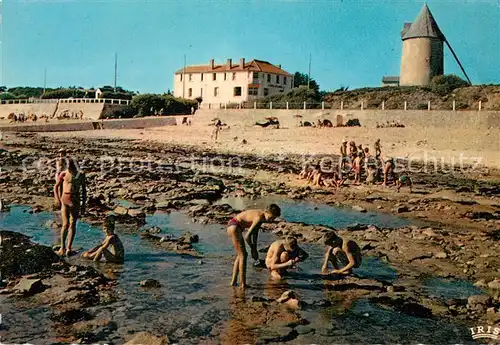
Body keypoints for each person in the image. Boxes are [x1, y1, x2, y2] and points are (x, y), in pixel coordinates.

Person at [227, 204, 281, 288]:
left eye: (273, 219)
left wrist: (255, 249)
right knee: (243, 255)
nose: (271, 220)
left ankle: (233, 282)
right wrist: (252, 249)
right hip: (234, 226)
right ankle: (243, 284)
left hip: (234, 226)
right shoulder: (259, 217)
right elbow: (247, 236)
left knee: (240, 256)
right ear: (266, 212)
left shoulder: (262, 217)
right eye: (270, 217)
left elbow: (255, 233)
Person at [54, 157, 87, 256]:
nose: (68, 167)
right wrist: (57, 199)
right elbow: (56, 187)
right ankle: (62, 247)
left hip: (75, 199)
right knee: (65, 224)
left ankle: (68, 248)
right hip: (65, 199)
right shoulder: (63, 174)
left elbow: (84, 190)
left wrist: (83, 204)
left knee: (72, 224)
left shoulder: (80, 175)